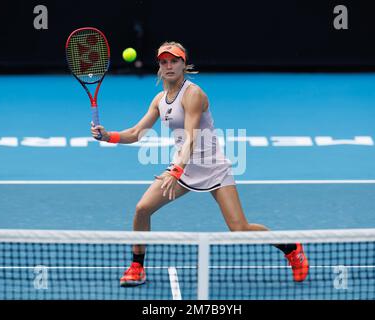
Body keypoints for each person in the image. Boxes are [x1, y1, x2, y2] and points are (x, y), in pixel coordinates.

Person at [91, 42, 309, 286]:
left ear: (184, 63)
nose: (169, 65)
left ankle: (292, 249)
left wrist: (175, 170)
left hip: (212, 168)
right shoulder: (159, 100)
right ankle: (137, 267)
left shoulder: (193, 94)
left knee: (239, 228)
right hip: (183, 169)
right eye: (164, 61)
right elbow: (136, 132)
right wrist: (108, 135)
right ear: (159, 66)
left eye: (174, 60)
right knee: (142, 208)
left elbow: (192, 136)